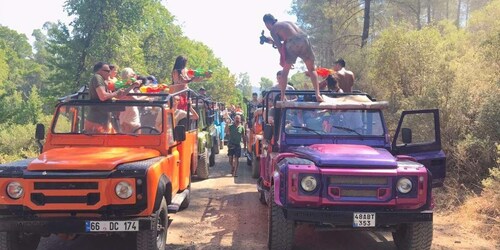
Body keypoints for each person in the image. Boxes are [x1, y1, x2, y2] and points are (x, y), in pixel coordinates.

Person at [262, 14, 322, 102]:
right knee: (312, 69)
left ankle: (283, 97)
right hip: (304, 39)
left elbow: (280, 46)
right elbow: (287, 37)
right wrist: (270, 41)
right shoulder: (287, 23)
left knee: (284, 72)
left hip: (292, 42)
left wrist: (285, 59)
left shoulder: (273, 29)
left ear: (267, 24)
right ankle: (318, 94)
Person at [85, 62, 137, 133]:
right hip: (96, 122)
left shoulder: (105, 81)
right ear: (99, 71)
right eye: (107, 71)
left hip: (104, 121)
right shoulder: (97, 77)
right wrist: (115, 93)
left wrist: (133, 86)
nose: (109, 73)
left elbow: (119, 95)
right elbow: (103, 96)